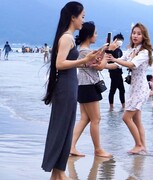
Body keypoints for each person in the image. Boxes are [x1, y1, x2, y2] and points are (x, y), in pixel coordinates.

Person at [41, 2, 99, 179]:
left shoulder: (69, 37)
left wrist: (89, 60)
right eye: (82, 16)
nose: (83, 20)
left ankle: (58, 173)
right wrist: (83, 61)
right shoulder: (67, 37)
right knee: (62, 128)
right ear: (73, 17)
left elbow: (66, 63)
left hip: (69, 86)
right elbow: (60, 64)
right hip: (65, 87)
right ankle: (58, 171)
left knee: (65, 128)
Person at [107, 23, 153, 154]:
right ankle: (143, 147)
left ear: (144, 36)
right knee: (137, 120)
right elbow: (117, 64)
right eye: (134, 33)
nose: (135, 35)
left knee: (126, 118)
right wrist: (103, 65)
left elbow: (132, 64)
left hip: (141, 89)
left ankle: (138, 145)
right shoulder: (131, 50)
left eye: (139, 33)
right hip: (134, 88)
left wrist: (114, 59)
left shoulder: (144, 52)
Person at [70, 21, 113, 158]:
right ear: (89, 35)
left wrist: (103, 50)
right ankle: (98, 149)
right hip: (88, 86)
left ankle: (71, 145)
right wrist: (107, 54)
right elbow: (99, 66)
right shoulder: (86, 52)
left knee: (85, 118)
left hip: (83, 86)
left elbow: (96, 59)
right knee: (96, 119)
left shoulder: (82, 50)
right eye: (95, 33)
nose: (96, 35)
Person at [108, 33, 126, 110]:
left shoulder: (120, 50)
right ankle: (111, 107)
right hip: (113, 72)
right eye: (119, 41)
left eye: (121, 41)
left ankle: (123, 106)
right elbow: (108, 60)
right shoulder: (112, 49)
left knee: (122, 90)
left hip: (119, 72)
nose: (120, 42)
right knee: (113, 90)